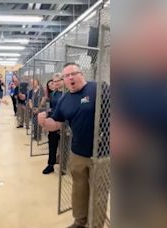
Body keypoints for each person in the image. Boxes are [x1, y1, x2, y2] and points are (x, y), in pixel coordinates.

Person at [38, 63, 106, 228]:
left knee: (99, 193)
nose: (70, 78)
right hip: (78, 152)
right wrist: (44, 123)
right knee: (79, 189)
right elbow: (57, 122)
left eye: (73, 74)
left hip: (103, 152)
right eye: (66, 76)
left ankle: (95, 225)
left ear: (81, 74)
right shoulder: (64, 99)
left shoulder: (98, 88)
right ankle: (80, 221)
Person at [42, 74, 65, 175]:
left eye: (57, 81)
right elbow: (51, 107)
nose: (55, 83)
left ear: (62, 81)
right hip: (53, 121)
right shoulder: (53, 94)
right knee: (52, 144)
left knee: (64, 145)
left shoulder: (67, 93)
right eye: (54, 81)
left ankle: (63, 167)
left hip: (64, 123)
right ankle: (50, 164)